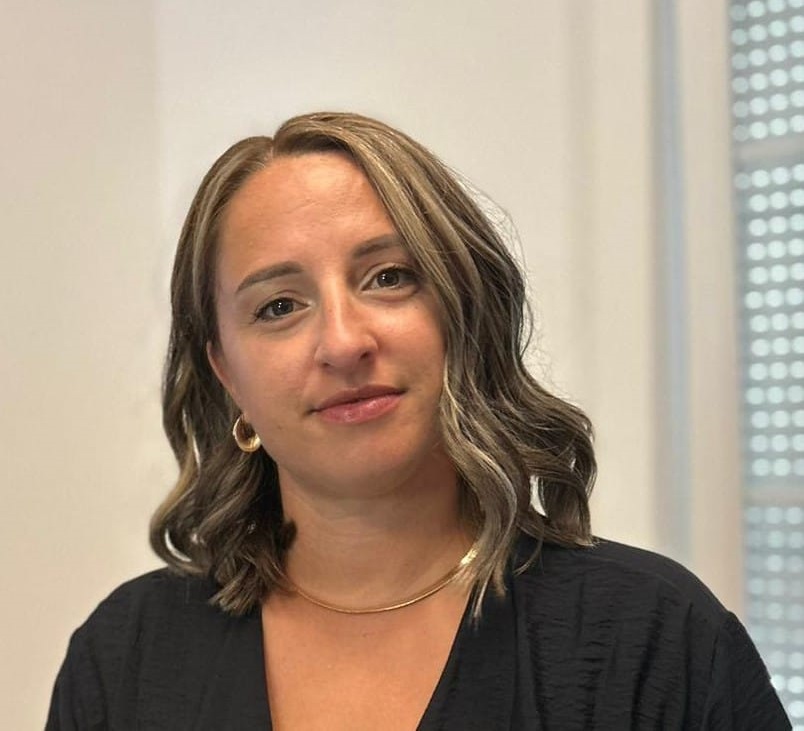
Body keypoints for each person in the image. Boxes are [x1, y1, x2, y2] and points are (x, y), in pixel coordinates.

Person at [46, 112, 790, 730]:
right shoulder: (124, 658)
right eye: (278, 306)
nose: (343, 341)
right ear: (226, 373)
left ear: (461, 312)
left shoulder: (652, 638)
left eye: (389, 277)